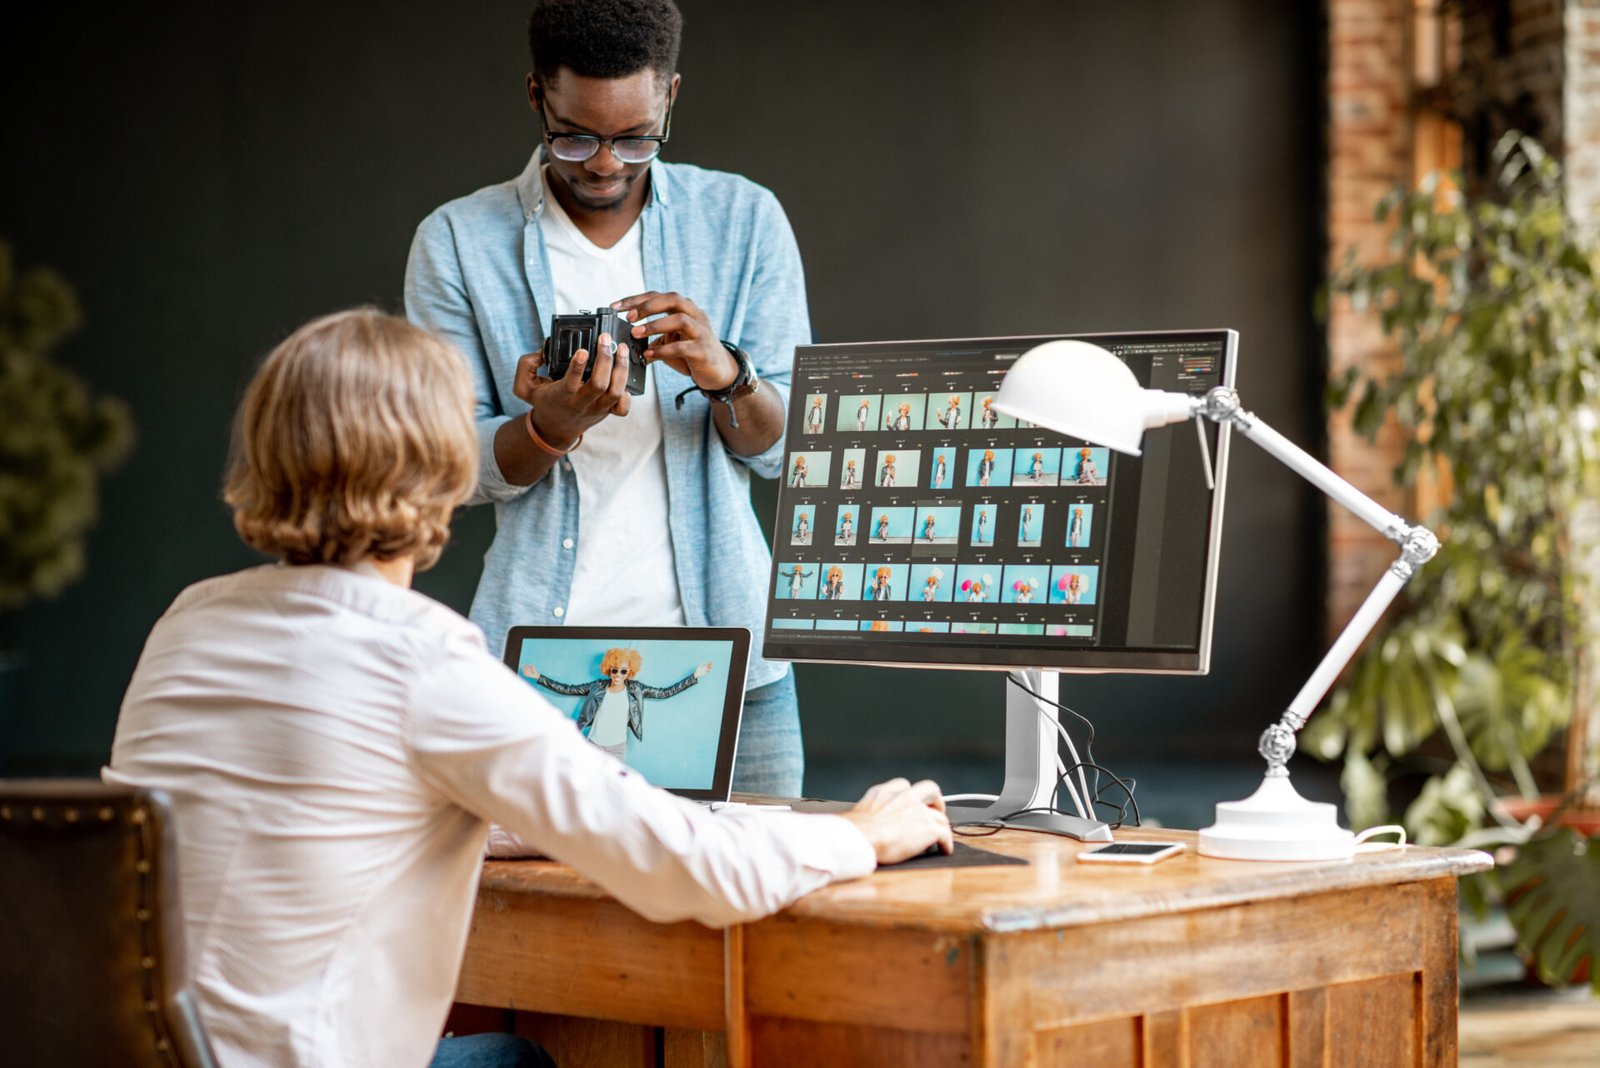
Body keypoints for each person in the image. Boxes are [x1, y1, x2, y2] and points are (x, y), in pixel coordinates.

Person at [104, 310, 950, 1068]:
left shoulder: (189, 624)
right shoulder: (422, 660)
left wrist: (509, 816)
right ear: (442, 471)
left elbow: (329, 804)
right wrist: (859, 835)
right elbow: (688, 870)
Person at [405, 0, 810, 796]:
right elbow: (441, 467)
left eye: (635, 138)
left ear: (671, 98)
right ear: (535, 97)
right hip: (535, 666)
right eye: (575, 135)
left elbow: (792, 451)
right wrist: (547, 430)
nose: (603, 163)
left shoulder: (743, 221)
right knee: (548, 917)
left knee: (762, 912)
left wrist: (730, 375)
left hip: (731, 661)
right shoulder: (458, 240)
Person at [522, 649, 708, 760]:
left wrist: (694, 677)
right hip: (593, 744)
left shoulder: (636, 689)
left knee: (611, 792)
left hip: (617, 747)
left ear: (629, 672)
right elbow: (567, 689)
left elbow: (665, 692)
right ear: (609, 670)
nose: (618, 674)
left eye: (623, 671)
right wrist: (539, 677)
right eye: (614, 670)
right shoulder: (597, 687)